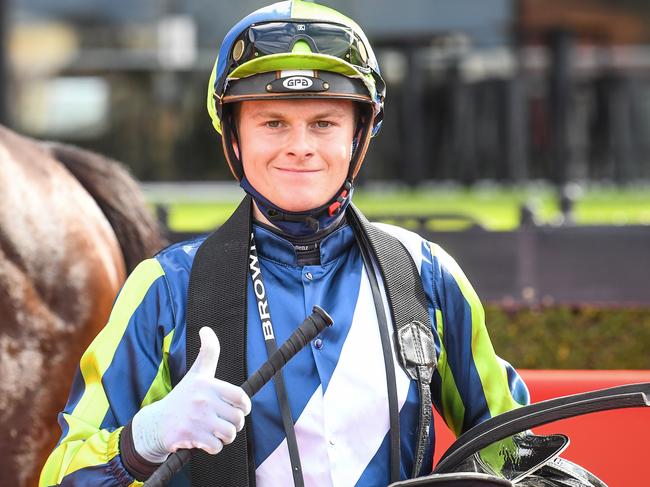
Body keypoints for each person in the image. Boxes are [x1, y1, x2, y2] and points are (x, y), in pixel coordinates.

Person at [39, 1, 529, 486]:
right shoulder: (166, 289)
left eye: (324, 123)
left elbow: (516, 450)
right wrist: (144, 440)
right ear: (234, 138)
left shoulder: (425, 274)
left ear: (361, 134)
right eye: (273, 122)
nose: (300, 145)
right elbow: (66, 473)